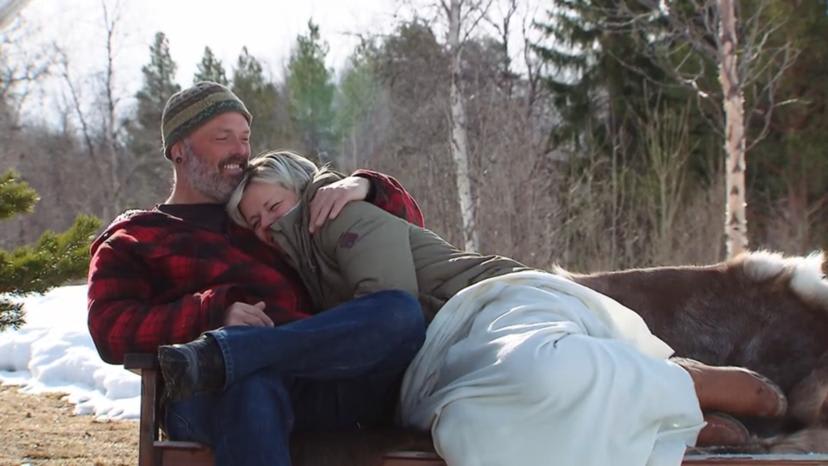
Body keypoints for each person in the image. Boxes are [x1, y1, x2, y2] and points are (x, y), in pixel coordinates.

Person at [199, 150, 786, 466]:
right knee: (475, 434)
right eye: (256, 223)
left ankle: (679, 382)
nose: (268, 227)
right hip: (439, 358)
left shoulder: (342, 214)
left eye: (273, 207)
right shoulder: (303, 259)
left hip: (486, 304)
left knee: (541, 369)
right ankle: (665, 427)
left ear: (303, 190)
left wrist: (357, 186)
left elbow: (391, 305)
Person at [86, 82, 430, 466]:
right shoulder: (136, 237)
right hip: (211, 396)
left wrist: (366, 186)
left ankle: (232, 353)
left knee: (400, 311)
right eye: (223, 137)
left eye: (245, 138)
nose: (240, 151)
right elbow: (109, 328)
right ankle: (230, 357)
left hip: (322, 381)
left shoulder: (265, 214)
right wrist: (213, 313)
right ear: (179, 150)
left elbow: (406, 229)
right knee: (251, 383)